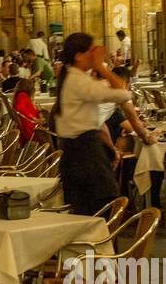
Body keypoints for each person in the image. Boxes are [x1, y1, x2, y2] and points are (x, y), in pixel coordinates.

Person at [50, 32, 132, 216]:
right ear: (79, 55)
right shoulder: (79, 82)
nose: (96, 54)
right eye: (91, 51)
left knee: (90, 210)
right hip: (86, 155)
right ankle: (98, 245)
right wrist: (102, 68)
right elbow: (123, 93)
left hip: (78, 153)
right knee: (99, 210)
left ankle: (95, 244)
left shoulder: (75, 78)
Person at [13, 77, 41, 145]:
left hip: (29, 129)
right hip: (32, 131)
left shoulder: (21, 96)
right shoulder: (22, 96)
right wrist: (34, 118)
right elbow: (20, 110)